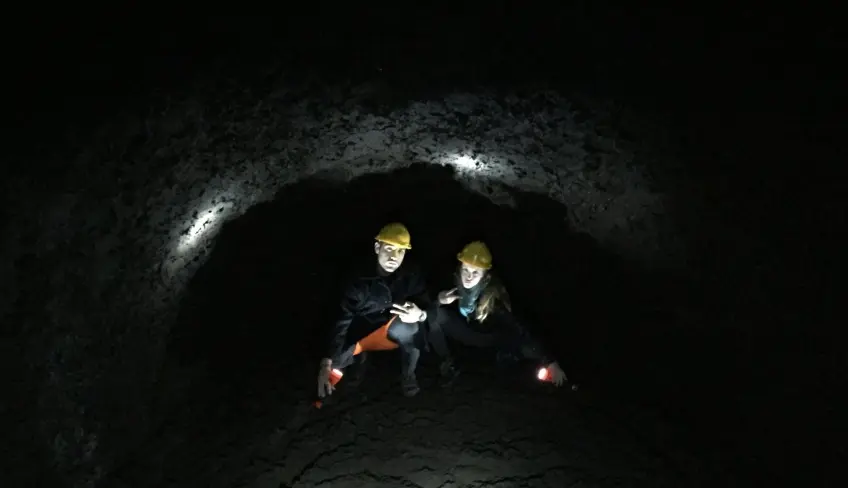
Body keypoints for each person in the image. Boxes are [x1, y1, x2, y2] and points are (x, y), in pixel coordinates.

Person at [429, 241, 568, 387]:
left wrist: (549, 360)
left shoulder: (493, 298)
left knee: (522, 348)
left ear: (485, 276)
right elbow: (424, 300)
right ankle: (447, 362)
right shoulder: (452, 283)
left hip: (487, 339)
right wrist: (439, 299)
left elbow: (519, 328)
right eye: (466, 270)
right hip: (464, 333)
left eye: (475, 272)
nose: (468, 277)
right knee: (434, 314)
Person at [317, 222, 431, 400]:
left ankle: (408, 375)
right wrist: (328, 359)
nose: (394, 257)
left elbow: (426, 304)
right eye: (389, 249)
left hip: (391, 328)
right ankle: (355, 366)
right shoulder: (358, 277)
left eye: (400, 251)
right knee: (335, 362)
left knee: (411, 328)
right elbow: (342, 318)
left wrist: (420, 314)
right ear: (377, 247)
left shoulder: (410, 274)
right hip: (362, 331)